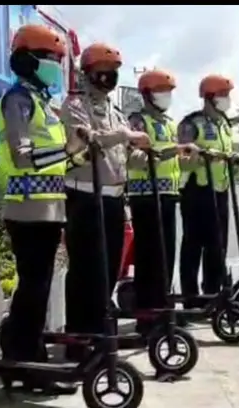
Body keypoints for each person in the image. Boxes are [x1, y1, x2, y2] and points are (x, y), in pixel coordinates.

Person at [0, 24, 82, 394]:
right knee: (34, 286)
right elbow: (23, 155)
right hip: (26, 207)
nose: (55, 66)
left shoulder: (44, 102)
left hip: (49, 209)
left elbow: (59, 161)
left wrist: (78, 154)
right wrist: (68, 150)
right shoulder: (17, 100)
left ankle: (21, 352)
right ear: (26, 60)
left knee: (39, 287)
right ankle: (28, 363)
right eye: (50, 59)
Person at [60, 42, 151, 361]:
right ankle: (78, 338)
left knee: (110, 269)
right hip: (84, 196)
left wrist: (150, 153)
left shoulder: (114, 111)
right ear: (89, 73)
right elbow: (89, 140)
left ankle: (99, 330)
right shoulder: (74, 105)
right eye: (105, 72)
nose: (110, 78)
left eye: (114, 73)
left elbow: (125, 156)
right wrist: (125, 135)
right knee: (86, 269)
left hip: (114, 198)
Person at [126, 69, 198, 335]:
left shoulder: (168, 123)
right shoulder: (138, 121)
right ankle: (147, 316)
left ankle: (162, 307)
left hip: (168, 196)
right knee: (150, 258)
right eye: (161, 91)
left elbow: (172, 160)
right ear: (146, 94)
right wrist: (169, 152)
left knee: (167, 256)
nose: (166, 96)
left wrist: (186, 158)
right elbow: (135, 159)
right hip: (145, 196)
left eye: (168, 91)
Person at [178, 74, 237, 308]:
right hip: (197, 192)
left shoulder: (225, 124)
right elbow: (182, 158)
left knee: (218, 245)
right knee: (193, 245)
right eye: (223, 95)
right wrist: (201, 158)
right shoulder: (192, 123)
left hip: (220, 190)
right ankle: (190, 298)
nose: (227, 100)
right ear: (210, 98)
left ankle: (212, 294)